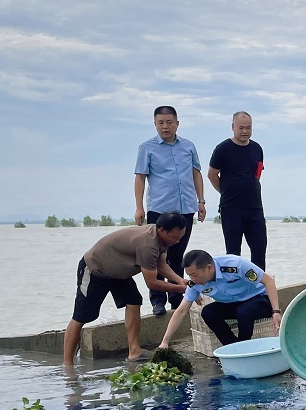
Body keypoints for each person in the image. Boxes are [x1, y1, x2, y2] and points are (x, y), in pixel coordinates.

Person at [63, 213, 189, 366]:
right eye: (175, 237)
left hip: (118, 273)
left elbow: (161, 265)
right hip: (95, 269)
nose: (177, 241)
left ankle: (134, 351)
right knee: (81, 316)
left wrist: (181, 280)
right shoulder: (147, 244)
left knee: (134, 300)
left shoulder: (162, 240)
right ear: (162, 230)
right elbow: (152, 283)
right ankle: (67, 365)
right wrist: (182, 289)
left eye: (180, 237)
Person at [134, 106, 205, 315]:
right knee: (155, 257)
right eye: (160, 123)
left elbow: (196, 174)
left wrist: (201, 202)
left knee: (178, 254)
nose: (165, 127)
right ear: (155, 124)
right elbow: (140, 177)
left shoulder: (188, 146)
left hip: (186, 209)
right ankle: (157, 301)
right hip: (159, 210)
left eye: (169, 122)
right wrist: (139, 207)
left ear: (177, 123)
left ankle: (176, 297)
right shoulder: (146, 148)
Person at [158, 249, 281, 349]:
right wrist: (165, 341)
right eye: (189, 275)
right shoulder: (195, 284)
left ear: (209, 268)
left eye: (194, 274)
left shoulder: (236, 264)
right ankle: (233, 348)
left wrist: (276, 312)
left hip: (259, 299)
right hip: (232, 304)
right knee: (208, 312)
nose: (192, 279)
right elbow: (181, 311)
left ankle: (244, 347)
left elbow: (268, 281)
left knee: (244, 312)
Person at [208, 111, 267, 270]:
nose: (245, 131)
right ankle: (235, 285)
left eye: (248, 128)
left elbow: (257, 174)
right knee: (233, 252)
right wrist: (225, 191)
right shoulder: (223, 148)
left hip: (255, 207)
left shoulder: (257, 148)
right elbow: (212, 174)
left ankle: (258, 287)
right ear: (233, 127)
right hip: (231, 207)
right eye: (241, 127)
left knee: (259, 249)